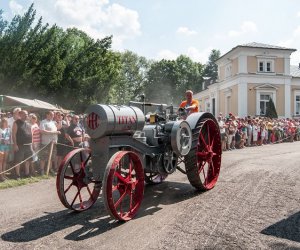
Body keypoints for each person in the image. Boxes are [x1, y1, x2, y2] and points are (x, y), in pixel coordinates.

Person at [12, 110, 34, 178]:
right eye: (24, 114)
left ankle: (27, 173)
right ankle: (17, 175)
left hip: (28, 145)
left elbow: (31, 134)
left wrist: (32, 143)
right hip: (20, 145)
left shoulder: (28, 123)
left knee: (28, 160)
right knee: (18, 160)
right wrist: (15, 144)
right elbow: (13, 134)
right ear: (20, 115)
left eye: (27, 114)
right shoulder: (16, 123)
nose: (26, 115)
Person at [39, 111, 60, 175]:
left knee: (51, 157)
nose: (52, 116)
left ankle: (50, 169)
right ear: (47, 115)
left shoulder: (53, 122)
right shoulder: (43, 122)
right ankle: (42, 170)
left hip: (53, 143)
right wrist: (54, 132)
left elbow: (57, 129)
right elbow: (42, 131)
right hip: (46, 143)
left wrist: (57, 132)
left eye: (53, 115)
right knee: (43, 157)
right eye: (51, 115)